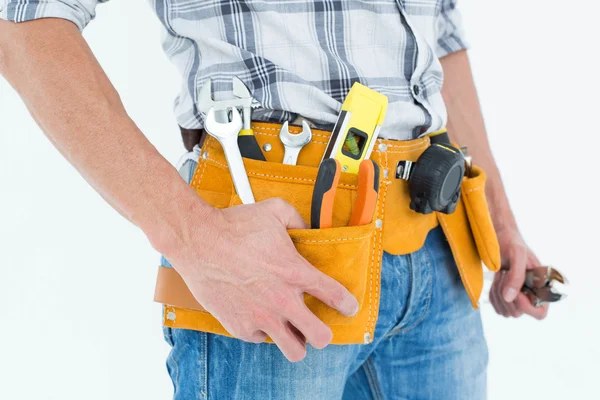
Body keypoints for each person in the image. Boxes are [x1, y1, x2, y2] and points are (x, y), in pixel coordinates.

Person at [0, 1, 549, 398]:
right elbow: (22, 24)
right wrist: (195, 236)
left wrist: (497, 217)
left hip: (437, 252)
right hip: (274, 264)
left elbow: (441, 32)